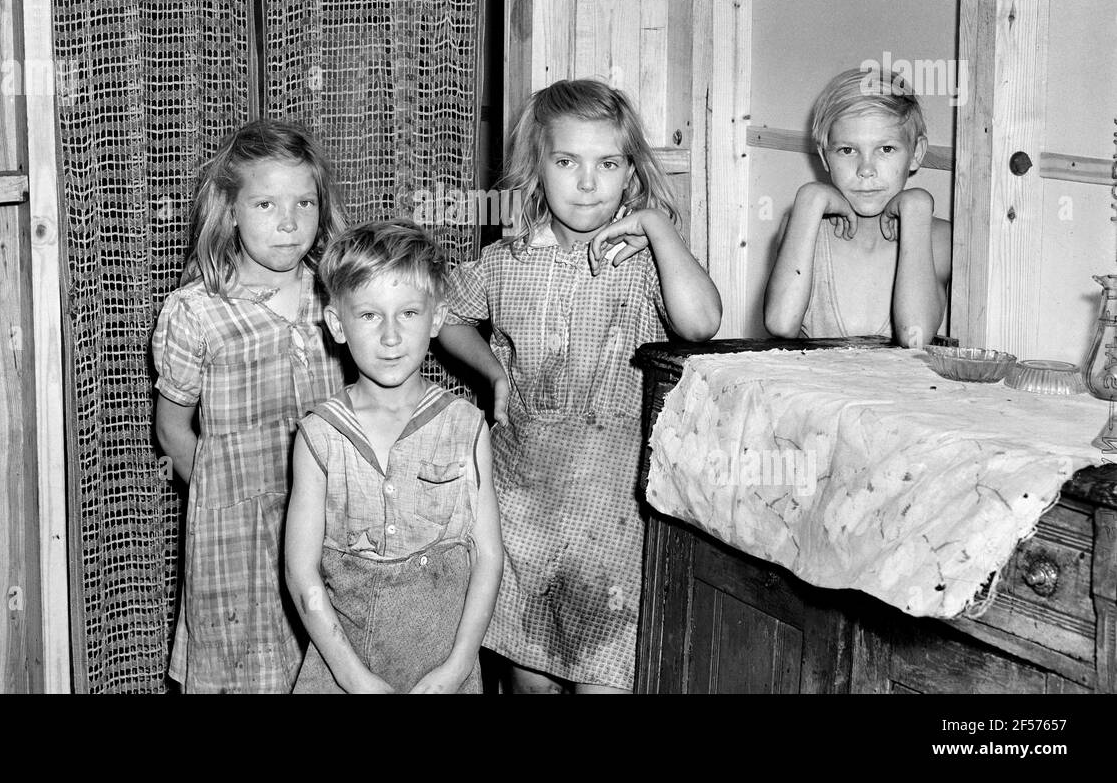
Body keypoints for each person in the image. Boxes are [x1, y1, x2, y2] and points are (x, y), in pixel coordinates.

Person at [437, 79, 722, 693]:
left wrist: (658, 229)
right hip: (521, 503)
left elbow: (701, 324)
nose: (587, 183)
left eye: (608, 164)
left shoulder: (645, 261)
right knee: (528, 680)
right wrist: (495, 372)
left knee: (606, 679)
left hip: (614, 511)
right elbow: (444, 315)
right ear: (537, 166)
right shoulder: (508, 258)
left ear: (629, 172)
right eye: (567, 162)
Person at [151, 120, 347, 693]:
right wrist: (225, 497)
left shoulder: (341, 294)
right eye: (265, 203)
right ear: (230, 210)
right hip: (235, 537)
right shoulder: (196, 312)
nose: (288, 223)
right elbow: (172, 432)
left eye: (304, 203)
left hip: (331, 521)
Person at [285, 220, 502, 693]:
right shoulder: (320, 435)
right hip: (343, 672)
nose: (390, 336)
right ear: (338, 325)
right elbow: (301, 574)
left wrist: (459, 665)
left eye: (408, 313)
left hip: (443, 671)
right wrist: (353, 679)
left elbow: (488, 557)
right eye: (369, 315)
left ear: (438, 318)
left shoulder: (466, 426)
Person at [763, 67, 952, 346]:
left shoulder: (938, 238)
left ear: (916, 153)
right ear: (824, 157)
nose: (865, 169)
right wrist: (809, 200)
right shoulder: (806, 225)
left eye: (886, 149)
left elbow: (916, 336)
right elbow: (780, 323)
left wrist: (916, 210)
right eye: (847, 150)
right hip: (814, 389)